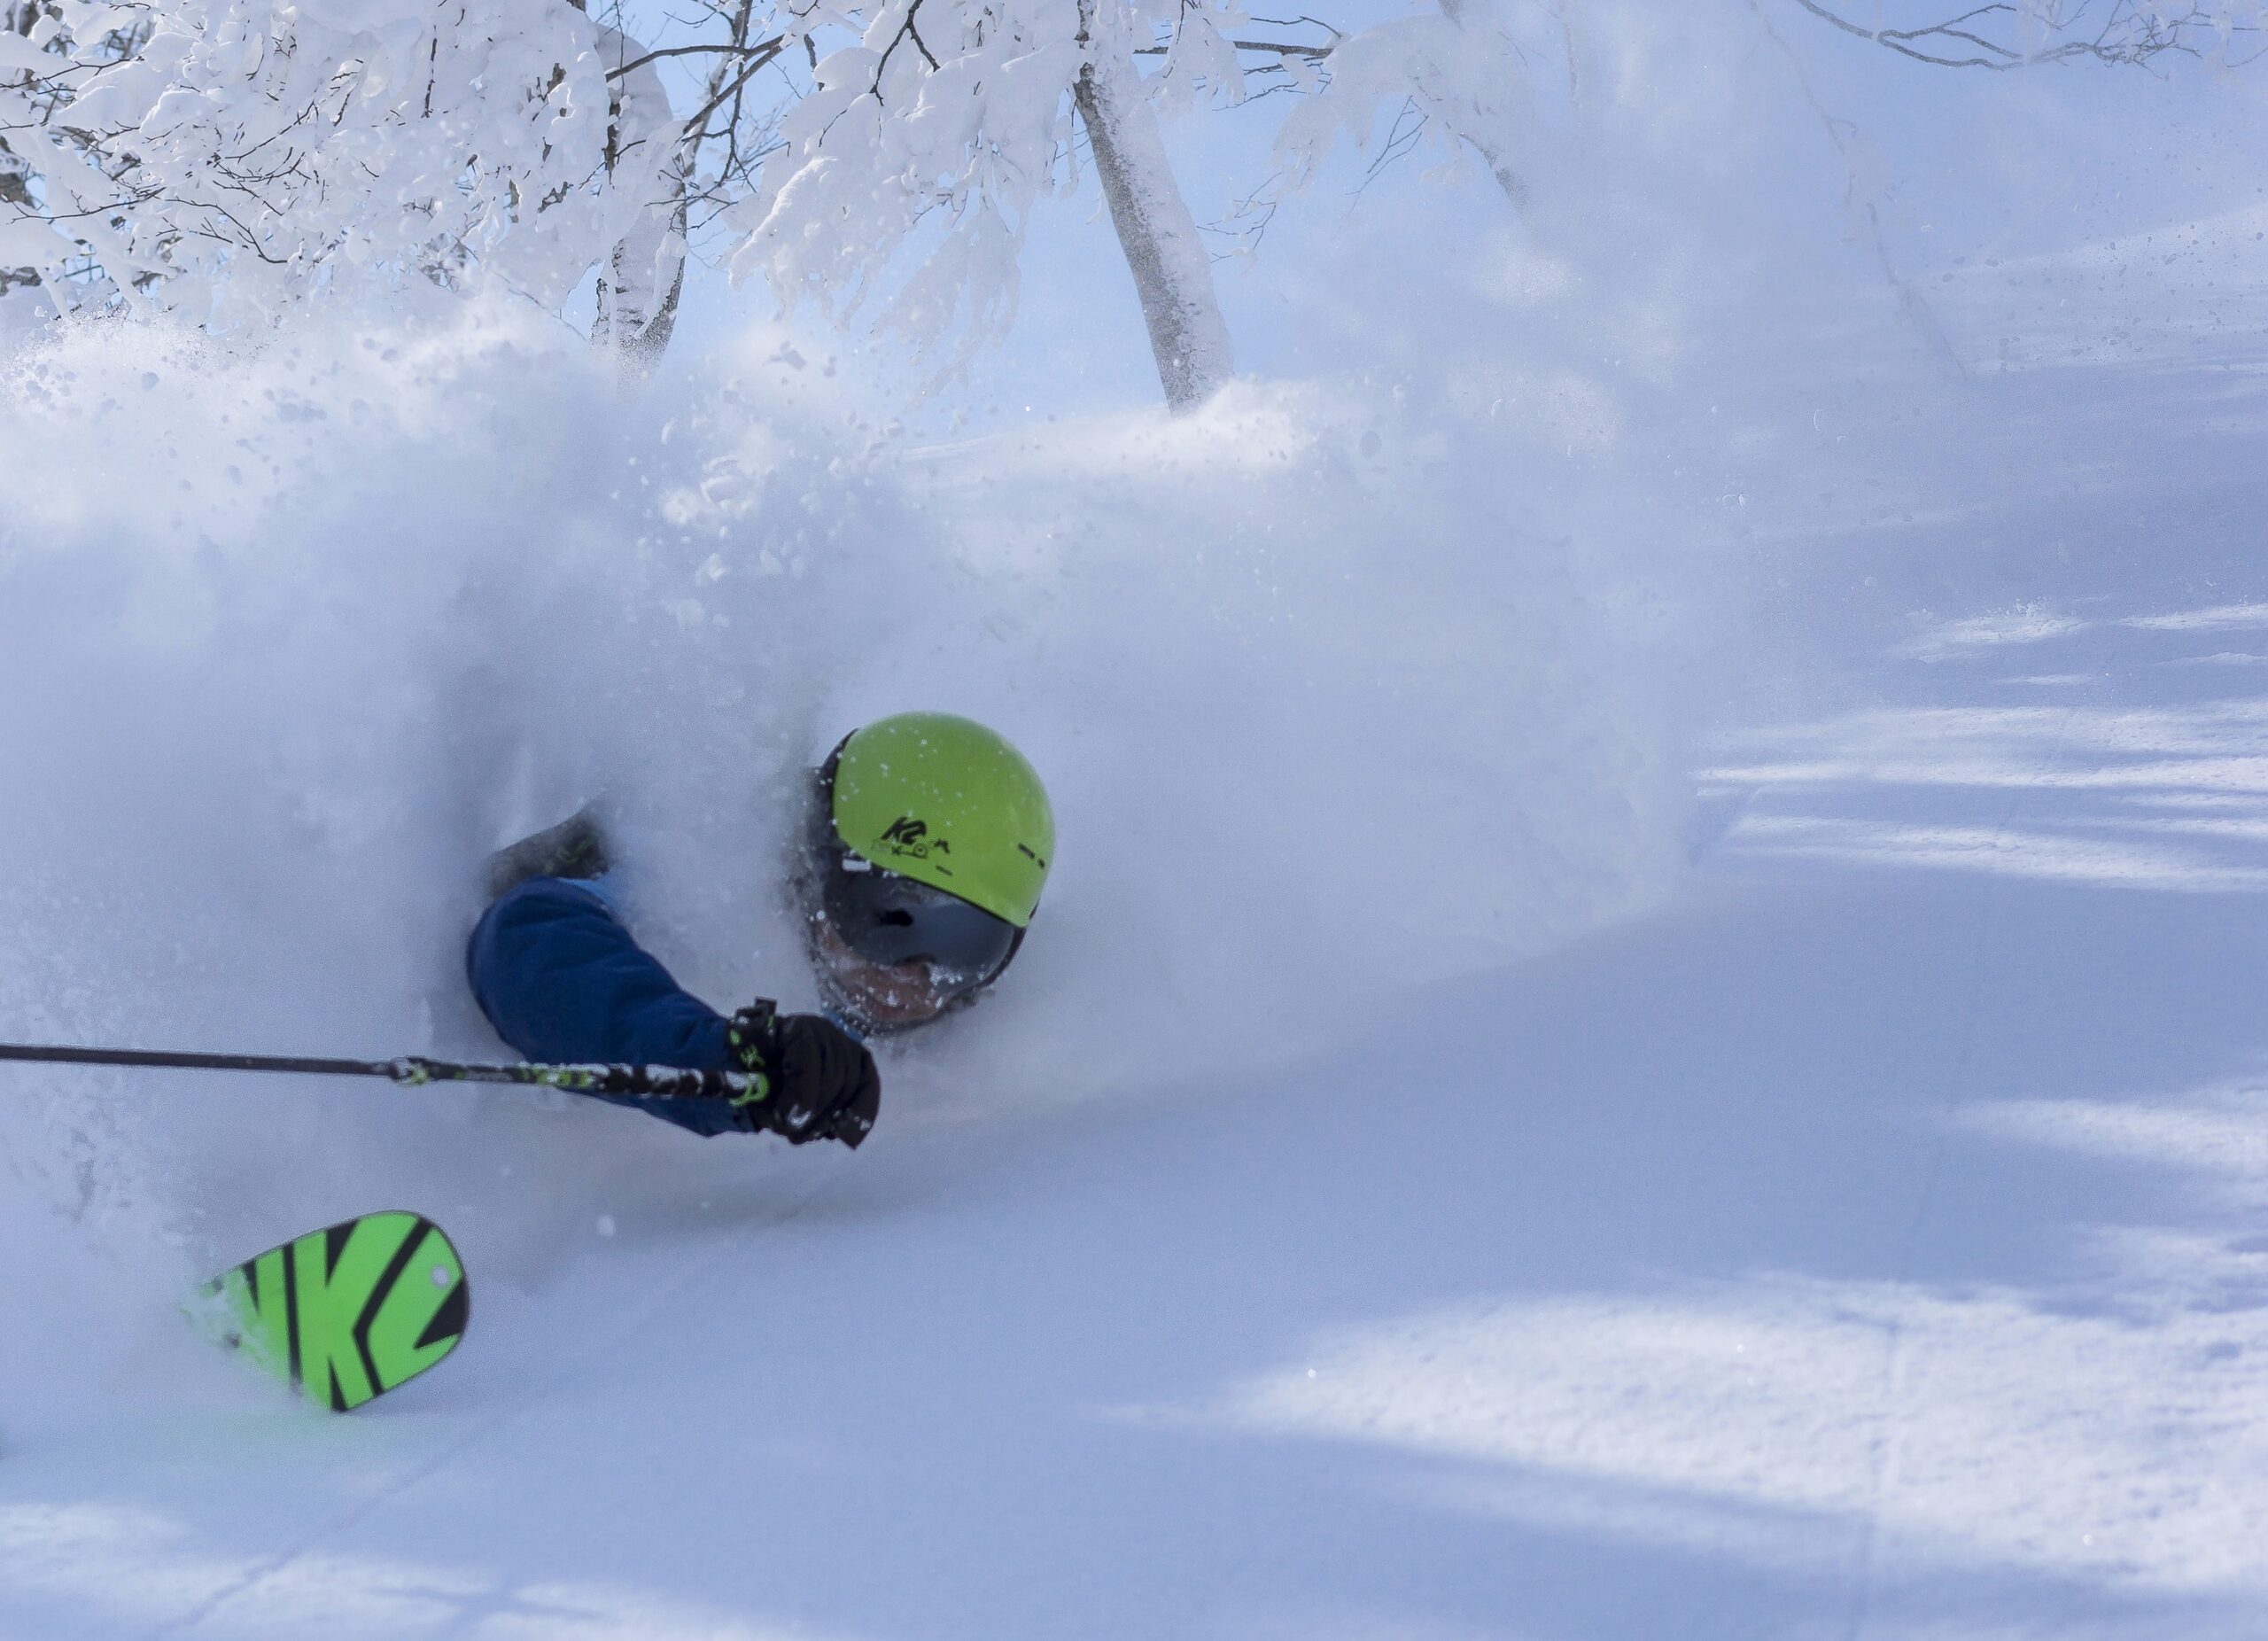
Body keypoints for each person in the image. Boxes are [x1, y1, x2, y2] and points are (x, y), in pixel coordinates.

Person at [465, 712, 1054, 1149]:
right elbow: (528, 943)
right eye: (891, 921)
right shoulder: (700, 861)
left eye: (968, 947)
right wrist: (728, 1060)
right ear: (819, 865)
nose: (915, 976)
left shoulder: (992, 1010)